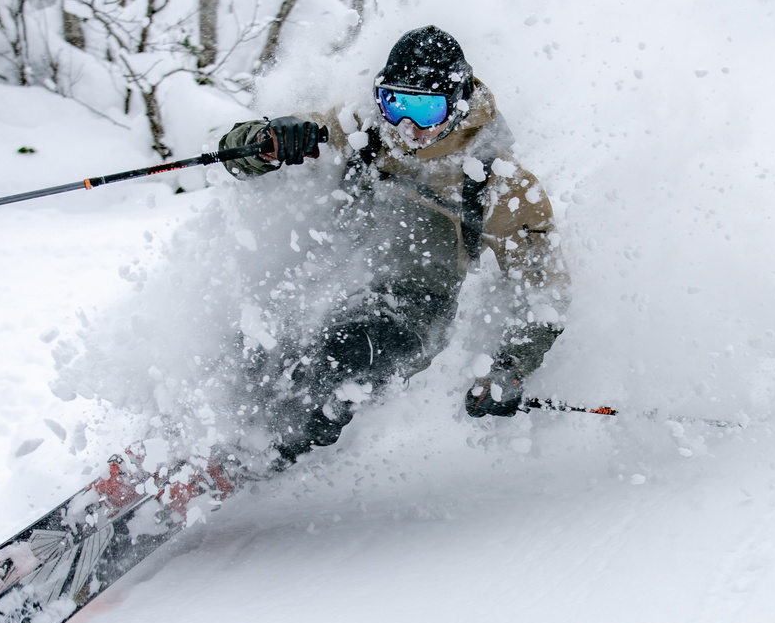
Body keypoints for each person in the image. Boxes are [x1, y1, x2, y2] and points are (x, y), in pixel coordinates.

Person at [214, 25, 569, 473]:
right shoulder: (363, 129)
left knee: (339, 357)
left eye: (425, 109)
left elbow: (543, 288)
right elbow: (234, 156)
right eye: (396, 103)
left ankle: (257, 454)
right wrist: (264, 144)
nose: (407, 127)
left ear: (458, 104)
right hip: (332, 277)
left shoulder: (500, 182)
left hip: (412, 310)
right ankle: (193, 434)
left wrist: (510, 366)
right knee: (252, 346)